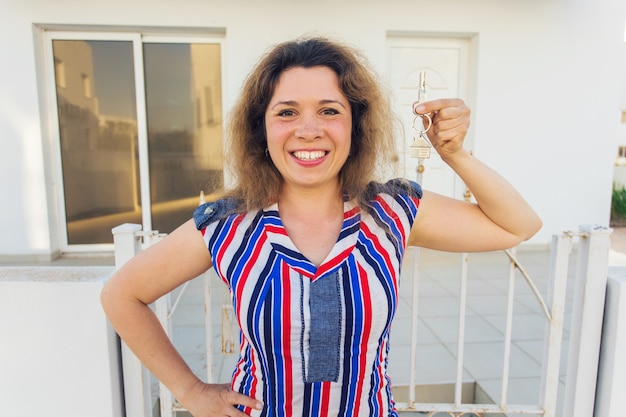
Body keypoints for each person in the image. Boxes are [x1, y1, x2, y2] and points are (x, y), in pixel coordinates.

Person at [101, 36, 542, 417]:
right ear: (262, 129)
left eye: (330, 111)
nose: (309, 130)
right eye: (287, 112)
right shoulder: (228, 225)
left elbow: (518, 226)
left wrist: (455, 155)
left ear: (356, 125)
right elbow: (121, 295)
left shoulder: (390, 211)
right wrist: (191, 392)